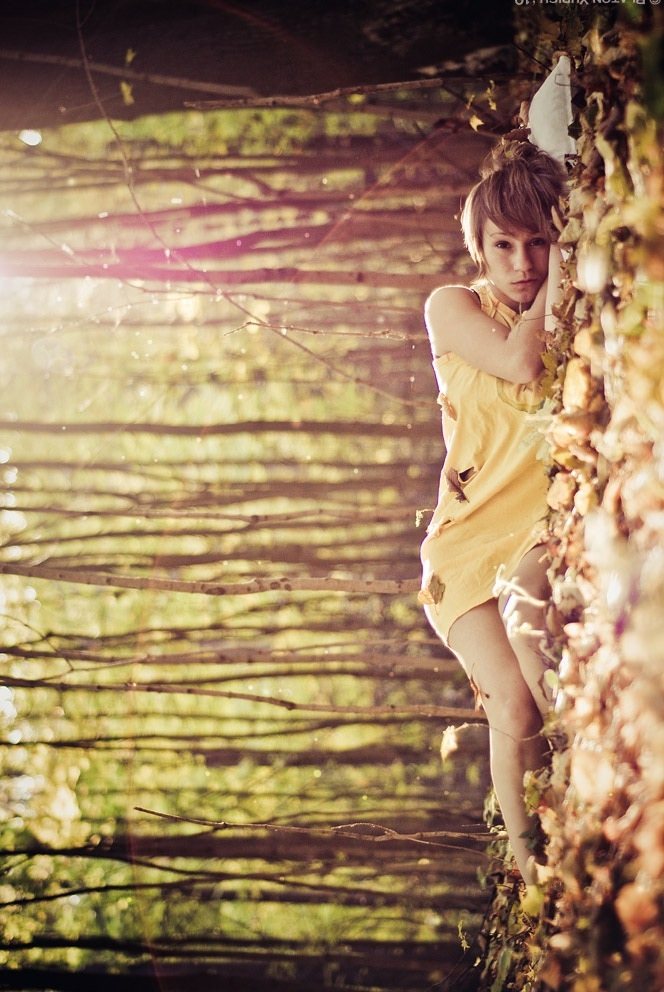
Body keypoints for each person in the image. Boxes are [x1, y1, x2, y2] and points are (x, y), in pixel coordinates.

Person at [418, 140, 566, 885]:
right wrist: (557, 279)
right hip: (462, 542)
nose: (522, 262)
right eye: (503, 245)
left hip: (539, 526)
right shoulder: (452, 307)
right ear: (478, 246)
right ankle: (531, 868)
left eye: (538, 242)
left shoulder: (566, 313)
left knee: (528, 635)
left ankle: (593, 780)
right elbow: (517, 362)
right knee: (509, 703)